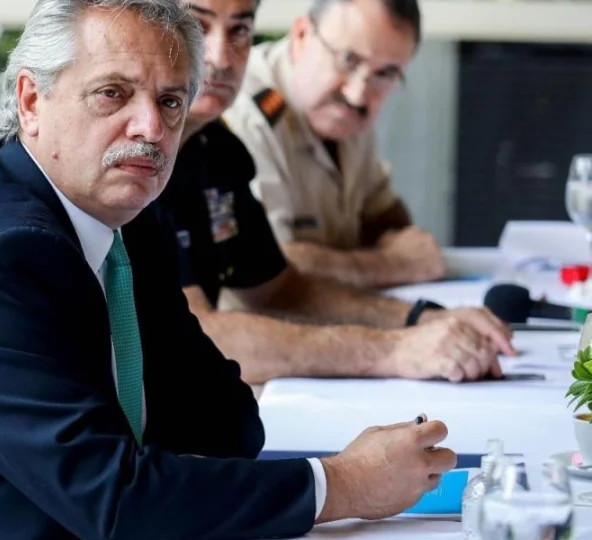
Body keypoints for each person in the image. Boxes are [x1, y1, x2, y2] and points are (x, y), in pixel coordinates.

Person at [0, 1, 456, 538]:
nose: (150, 129)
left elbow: (226, 424)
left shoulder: (120, 222)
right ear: (31, 101)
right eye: (112, 94)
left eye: (169, 101)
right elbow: (117, 502)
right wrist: (342, 485)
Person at [157, 0, 516, 384]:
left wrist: (420, 318)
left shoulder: (212, 145)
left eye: (240, 30)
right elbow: (189, 335)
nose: (220, 57)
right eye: (197, 25)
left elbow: (280, 288)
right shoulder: (145, 147)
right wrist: (392, 348)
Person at [224, 0, 443, 289]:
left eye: (385, 73)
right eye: (348, 60)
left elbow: (384, 216)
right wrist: (394, 264)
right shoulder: (244, 113)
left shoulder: (344, 110)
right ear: (302, 36)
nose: (357, 94)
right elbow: (266, 268)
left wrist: (402, 248)